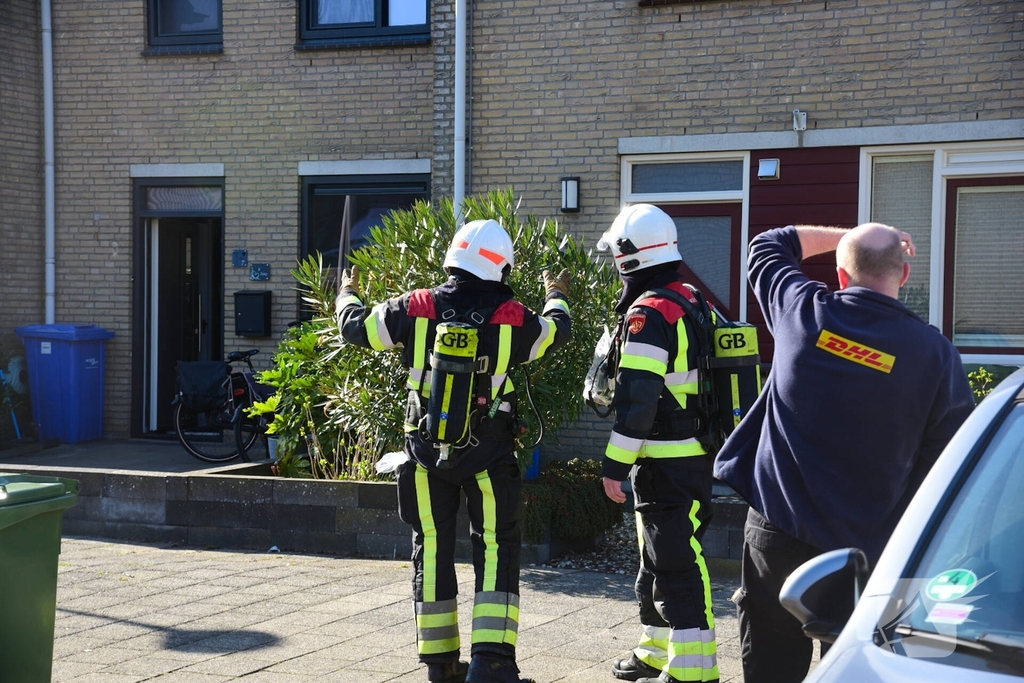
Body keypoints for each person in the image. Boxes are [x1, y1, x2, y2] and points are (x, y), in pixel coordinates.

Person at [713, 223, 975, 683]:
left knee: (770, 667)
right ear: (904, 274)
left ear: (839, 274)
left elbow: (768, 245)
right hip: (867, 551)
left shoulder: (801, 311)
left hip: (777, 535)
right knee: (856, 669)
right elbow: (947, 463)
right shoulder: (936, 355)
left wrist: (849, 237)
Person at [335, 219, 572, 683]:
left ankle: (440, 664)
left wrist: (347, 291)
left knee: (431, 547)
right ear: (501, 267)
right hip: (491, 453)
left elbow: (354, 328)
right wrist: (556, 294)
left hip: (425, 454)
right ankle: (492, 664)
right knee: (497, 547)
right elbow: (557, 332)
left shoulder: (415, 306)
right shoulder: (514, 317)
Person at [598, 204, 720, 683]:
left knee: (676, 562)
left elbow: (638, 400)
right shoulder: (691, 299)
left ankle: (693, 670)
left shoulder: (648, 313)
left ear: (629, 258)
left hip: (667, 461)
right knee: (657, 558)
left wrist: (613, 465)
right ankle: (653, 650)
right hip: (686, 455)